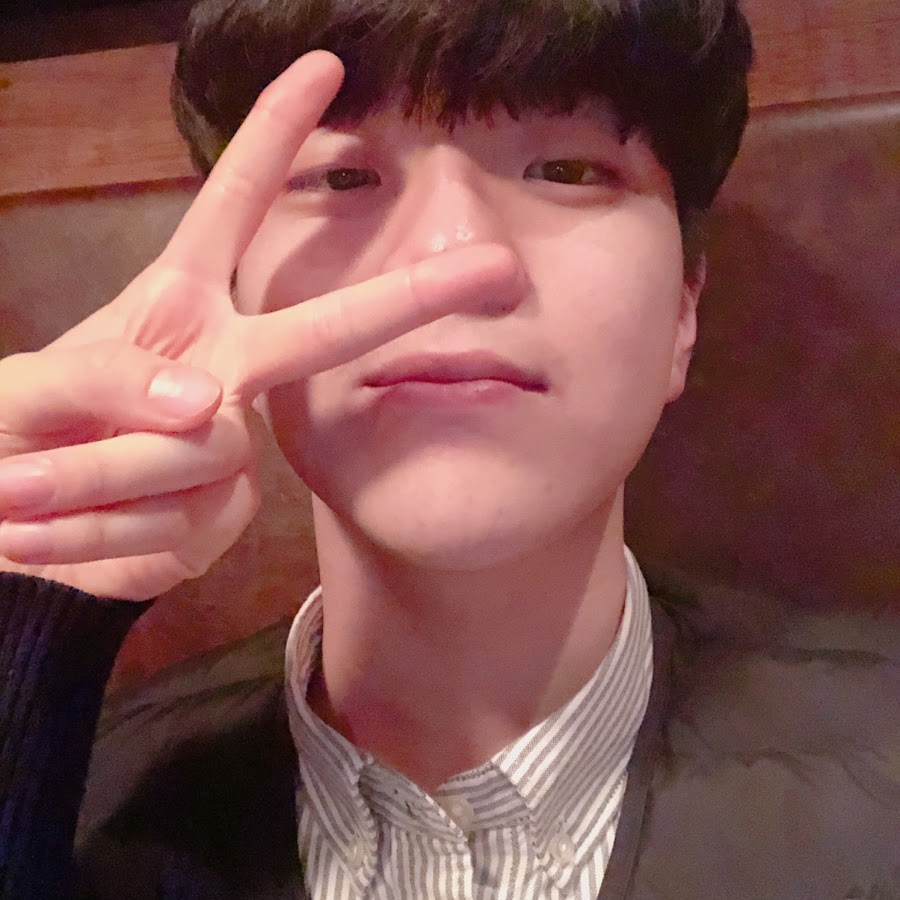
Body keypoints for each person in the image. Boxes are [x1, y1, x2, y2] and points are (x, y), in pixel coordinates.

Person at [0, 0, 896, 897]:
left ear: (683, 314)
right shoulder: (73, 800)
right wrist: (27, 613)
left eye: (566, 170)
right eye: (341, 178)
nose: (451, 258)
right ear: (237, 293)